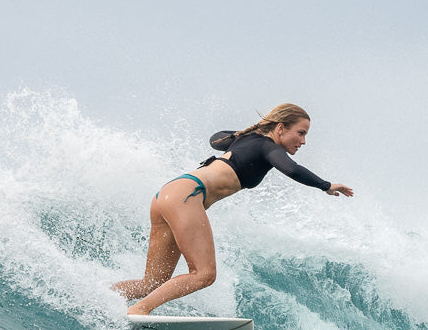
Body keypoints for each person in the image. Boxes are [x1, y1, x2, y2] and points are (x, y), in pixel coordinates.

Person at [113, 103, 353, 315]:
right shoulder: (268, 147)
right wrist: (326, 185)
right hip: (187, 195)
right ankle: (141, 308)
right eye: (300, 133)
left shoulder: (249, 140)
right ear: (280, 128)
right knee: (204, 274)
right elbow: (291, 169)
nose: (303, 141)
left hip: (167, 194)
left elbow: (216, 139)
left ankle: (100, 295)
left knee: (151, 283)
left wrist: (245, 133)